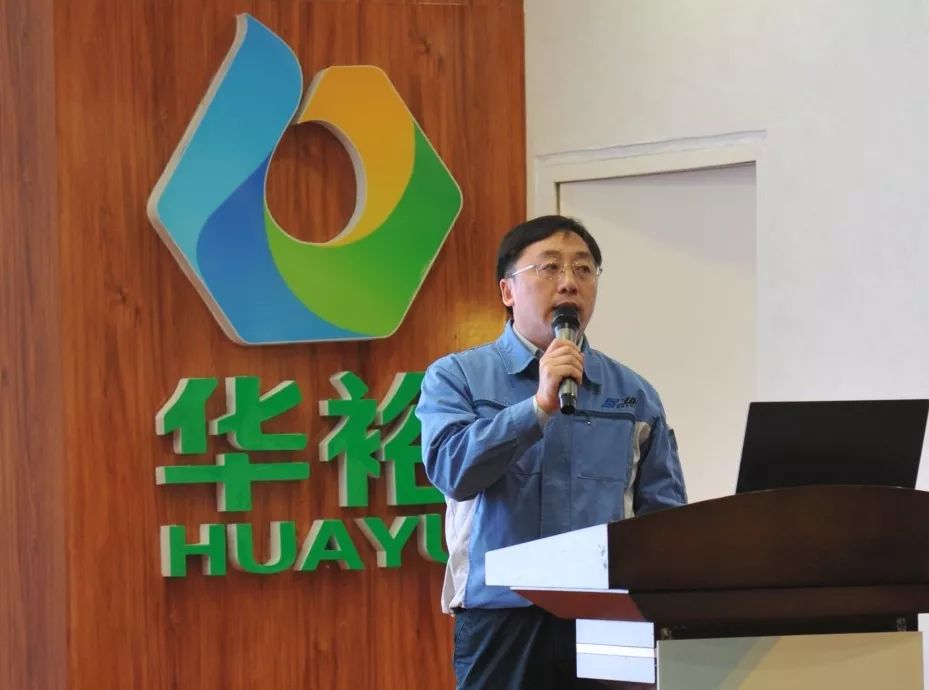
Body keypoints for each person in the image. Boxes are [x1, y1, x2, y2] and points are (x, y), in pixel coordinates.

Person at [416, 215, 687, 690]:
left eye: (583, 269)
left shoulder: (634, 394)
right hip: (503, 620)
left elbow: (664, 519)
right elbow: (452, 470)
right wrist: (537, 407)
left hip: (609, 617)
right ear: (507, 291)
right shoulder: (457, 377)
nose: (568, 283)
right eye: (549, 268)